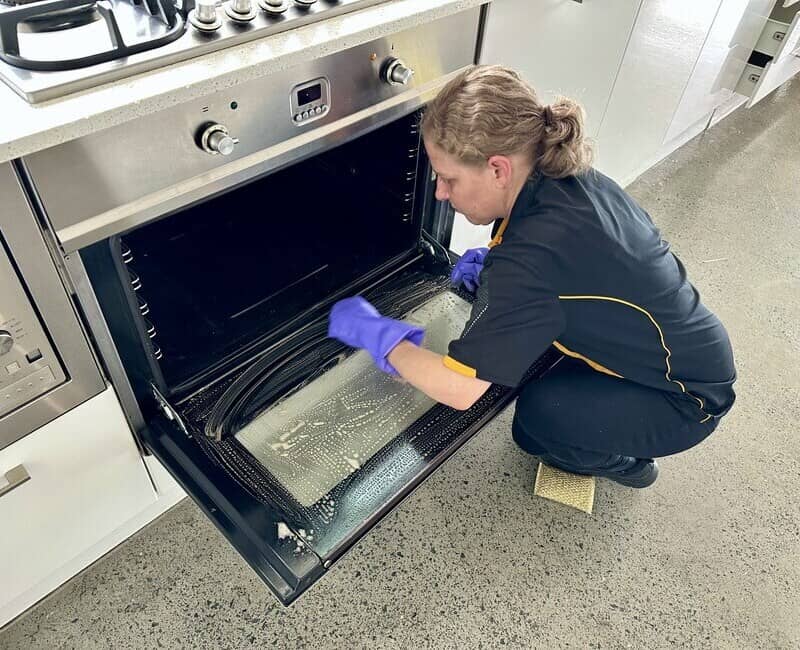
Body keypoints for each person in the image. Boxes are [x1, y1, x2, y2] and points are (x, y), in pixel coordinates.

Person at [328, 65, 736, 488]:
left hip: (685, 399)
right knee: (533, 368)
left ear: (499, 170)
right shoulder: (561, 175)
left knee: (537, 421)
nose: (440, 194)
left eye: (449, 179)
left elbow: (458, 390)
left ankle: (630, 465)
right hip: (690, 349)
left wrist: (381, 338)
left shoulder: (530, 261)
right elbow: (575, 267)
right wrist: (491, 259)